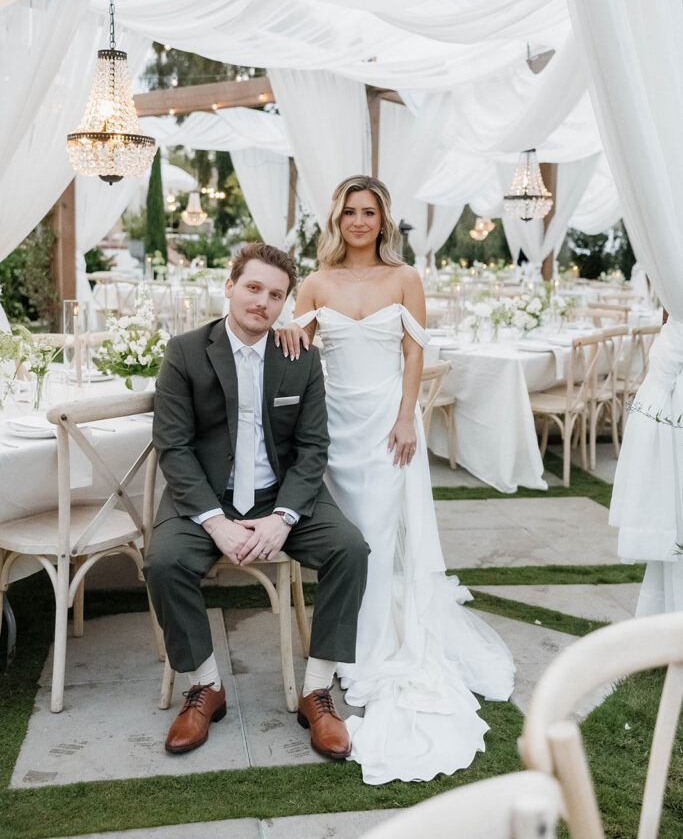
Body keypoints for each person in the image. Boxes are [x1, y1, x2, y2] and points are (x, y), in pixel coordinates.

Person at [276, 176, 515, 785]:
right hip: (333, 426)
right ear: (338, 219)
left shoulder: (406, 278)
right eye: (350, 211)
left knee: (379, 537)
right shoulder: (315, 282)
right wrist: (284, 332)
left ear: (384, 220)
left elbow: (413, 353)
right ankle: (345, 636)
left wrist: (409, 416)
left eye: (370, 212)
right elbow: (296, 347)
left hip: (386, 420)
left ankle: (371, 648)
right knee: (347, 537)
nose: (359, 221)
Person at [144, 243, 369, 759]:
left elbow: (313, 448)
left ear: (286, 303)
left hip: (282, 493)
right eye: (252, 287)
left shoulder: (299, 357)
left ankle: (315, 690)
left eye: (275, 294)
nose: (262, 302)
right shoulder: (184, 352)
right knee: (163, 560)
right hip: (205, 496)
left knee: (350, 550)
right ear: (229, 286)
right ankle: (204, 685)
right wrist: (216, 522)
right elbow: (173, 447)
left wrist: (284, 517)